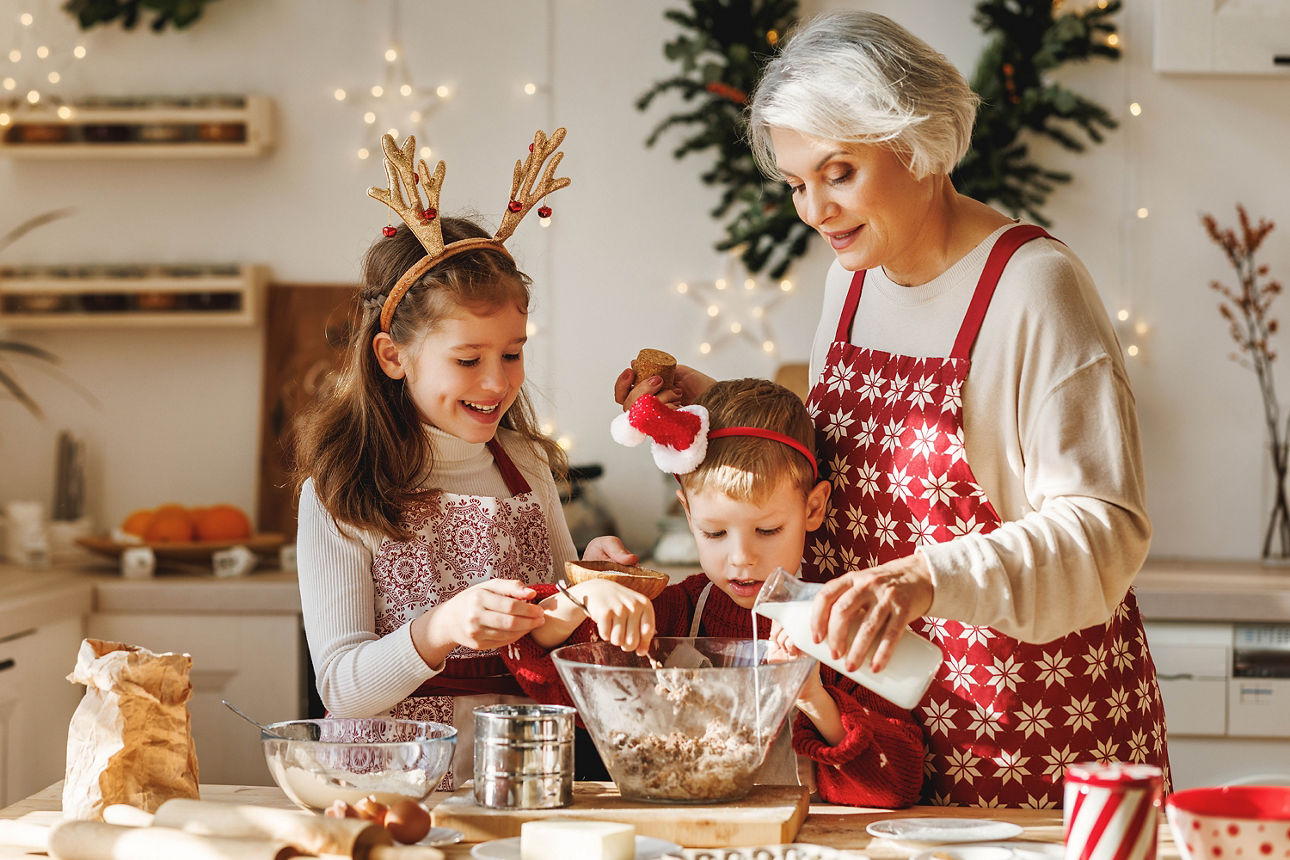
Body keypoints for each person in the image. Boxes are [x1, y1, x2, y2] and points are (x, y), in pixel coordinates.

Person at [616, 11, 1169, 807]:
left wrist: (922, 580)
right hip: (871, 737)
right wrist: (722, 406)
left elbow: (1104, 529)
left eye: (839, 173)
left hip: (1024, 731)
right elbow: (858, 464)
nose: (814, 210)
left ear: (918, 144)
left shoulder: (1032, 288)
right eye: (798, 183)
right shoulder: (855, 277)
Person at [293, 128, 635, 789]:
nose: (496, 382)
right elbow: (342, 684)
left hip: (522, 777)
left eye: (511, 353)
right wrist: (444, 625)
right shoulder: (343, 491)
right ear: (393, 356)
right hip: (390, 788)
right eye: (467, 360)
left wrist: (590, 584)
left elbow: (552, 636)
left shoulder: (526, 465)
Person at [506, 377, 926, 808]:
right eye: (714, 532)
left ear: (813, 509)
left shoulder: (841, 627)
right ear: (688, 515)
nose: (741, 557)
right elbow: (541, 667)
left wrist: (812, 696)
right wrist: (588, 593)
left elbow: (895, 783)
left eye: (767, 530)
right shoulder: (674, 613)